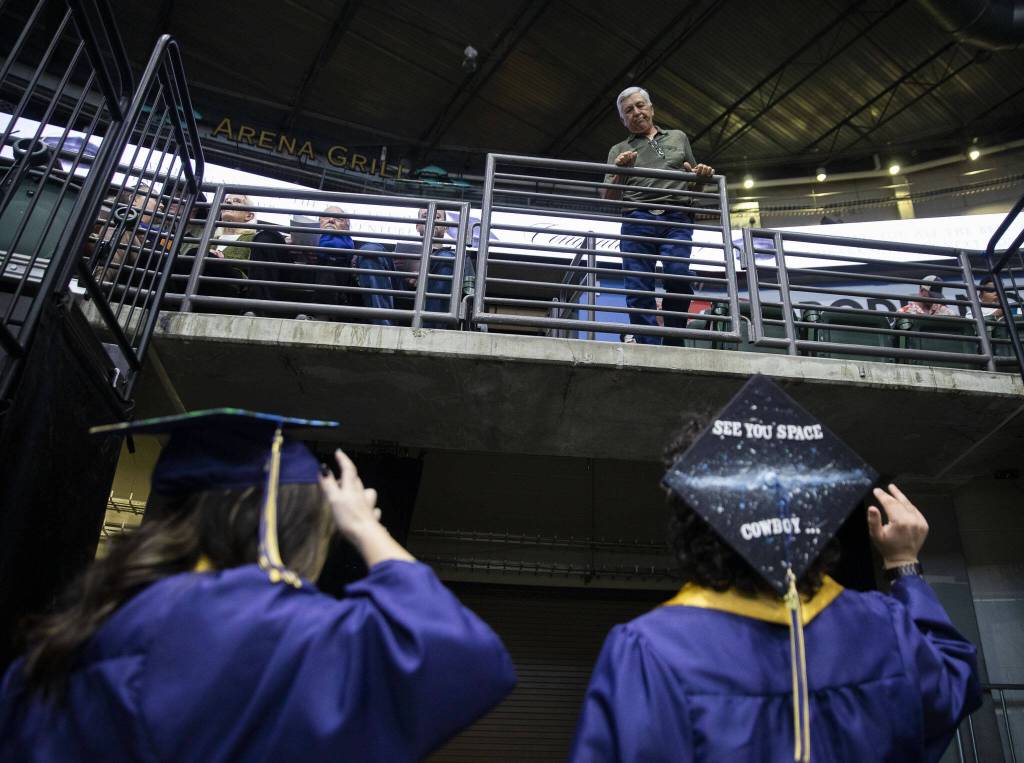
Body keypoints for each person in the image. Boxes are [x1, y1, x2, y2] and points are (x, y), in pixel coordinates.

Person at [0, 409, 516, 761]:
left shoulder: (78, 629)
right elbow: (460, 655)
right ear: (262, 514)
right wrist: (364, 526)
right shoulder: (253, 627)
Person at [570, 375, 981, 762]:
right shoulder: (885, 628)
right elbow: (953, 685)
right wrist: (902, 563)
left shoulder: (651, 651)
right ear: (814, 516)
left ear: (694, 525)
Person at [601, 86, 715, 346]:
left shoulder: (678, 137)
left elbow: (693, 185)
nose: (636, 112)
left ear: (651, 108)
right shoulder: (618, 149)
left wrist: (702, 176)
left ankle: (674, 340)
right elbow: (608, 196)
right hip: (637, 219)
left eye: (640, 105)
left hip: (676, 218)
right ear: (623, 120)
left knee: (678, 274)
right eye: (629, 110)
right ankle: (648, 345)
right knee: (638, 285)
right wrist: (621, 171)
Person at [318, 205, 396, 325]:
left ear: (347, 226)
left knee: (369, 252)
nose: (331, 220)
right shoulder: (300, 246)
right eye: (326, 216)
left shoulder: (360, 254)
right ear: (319, 222)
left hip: (353, 301)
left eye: (338, 218)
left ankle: (381, 326)